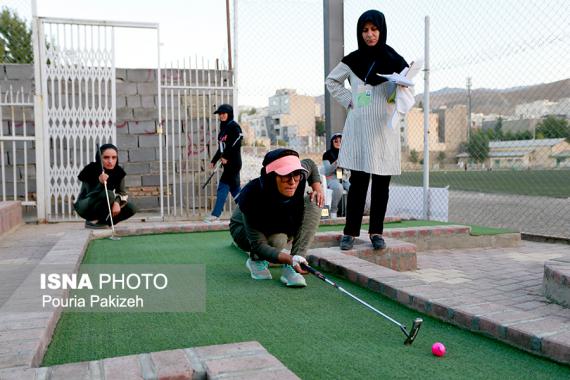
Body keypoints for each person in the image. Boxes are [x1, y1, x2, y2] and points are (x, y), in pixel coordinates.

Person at [325, 10, 414, 251]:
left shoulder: (396, 61)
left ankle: (376, 232)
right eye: (365, 30)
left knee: (381, 186)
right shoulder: (352, 60)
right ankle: (350, 233)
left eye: (374, 29)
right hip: (359, 130)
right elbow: (331, 81)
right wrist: (349, 100)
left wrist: (401, 91)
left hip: (385, 131)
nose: (370, 35)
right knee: (358, 184)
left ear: (381, 30)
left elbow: (406, 91)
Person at [229, 148, 325, 287]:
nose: (292, 182)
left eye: (296, 175)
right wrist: (288, 258)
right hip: (243, 230)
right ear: (271, 176)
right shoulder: (251, 195)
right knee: (277, 240)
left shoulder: (299, 176)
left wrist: (317, 188)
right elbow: (259, 244)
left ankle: (294, 265)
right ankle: (256, 260)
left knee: (315, 201)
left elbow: (310, 164)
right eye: (286, 175)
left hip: (279, 221)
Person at [74, 143, 137, 229]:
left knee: (131, 207)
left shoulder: (118, 172)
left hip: (105, 201)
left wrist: (117, 202)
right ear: (100, 158)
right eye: (106, 157)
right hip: (85, 205)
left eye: (114, 157)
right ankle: (91, 221)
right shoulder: (90, 169)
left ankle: (103, 222)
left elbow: (122, 193)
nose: (110, 161)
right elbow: (89, 193)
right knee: (109, 194)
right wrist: (100, 182)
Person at [204, 104, 243, 223]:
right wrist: (214, 160)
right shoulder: (223, 128)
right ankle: (248, 212)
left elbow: (236, 143)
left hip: (234, 163)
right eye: (220, 114)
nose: (221, 116)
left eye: (223, 113)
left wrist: (226, 156)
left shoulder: (234, 127)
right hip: (227, 163)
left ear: (229, 114)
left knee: (222, 187)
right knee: (235, 189)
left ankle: (216, 215)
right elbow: (222, 147)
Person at [322, 133, 350, 218]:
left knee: (355, 188)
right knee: (338, 187)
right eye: (336, 141)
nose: (338, 143)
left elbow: (349, 171)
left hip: (344, 178)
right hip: (332, 179)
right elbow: (327, 171)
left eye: (340, 141)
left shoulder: (346, 154)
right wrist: (336, 163)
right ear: (332, 142)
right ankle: (333, 211)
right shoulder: (327, 154)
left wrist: (345, 170)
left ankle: (351, 213)